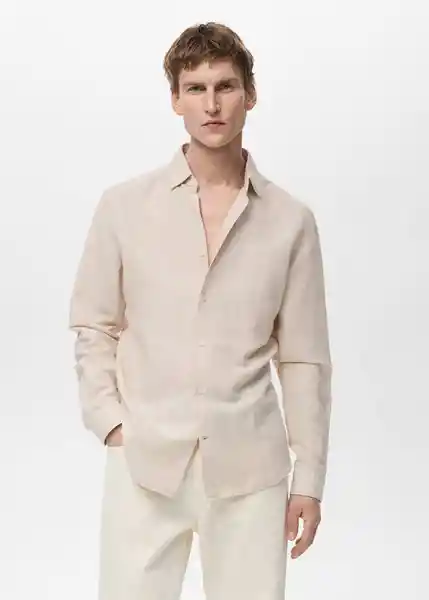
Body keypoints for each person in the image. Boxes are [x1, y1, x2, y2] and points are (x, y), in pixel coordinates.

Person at [69, 21, 333, 600]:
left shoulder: (290, 221)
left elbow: (304, 359)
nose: (211, 105)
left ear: (250, 94)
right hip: (145, 461)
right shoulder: (124, 207)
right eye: (195, 88)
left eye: (225, 86)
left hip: (250, 470)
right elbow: (93, 323)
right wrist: (111, 423)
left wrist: (308, 479)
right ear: (175, 99)